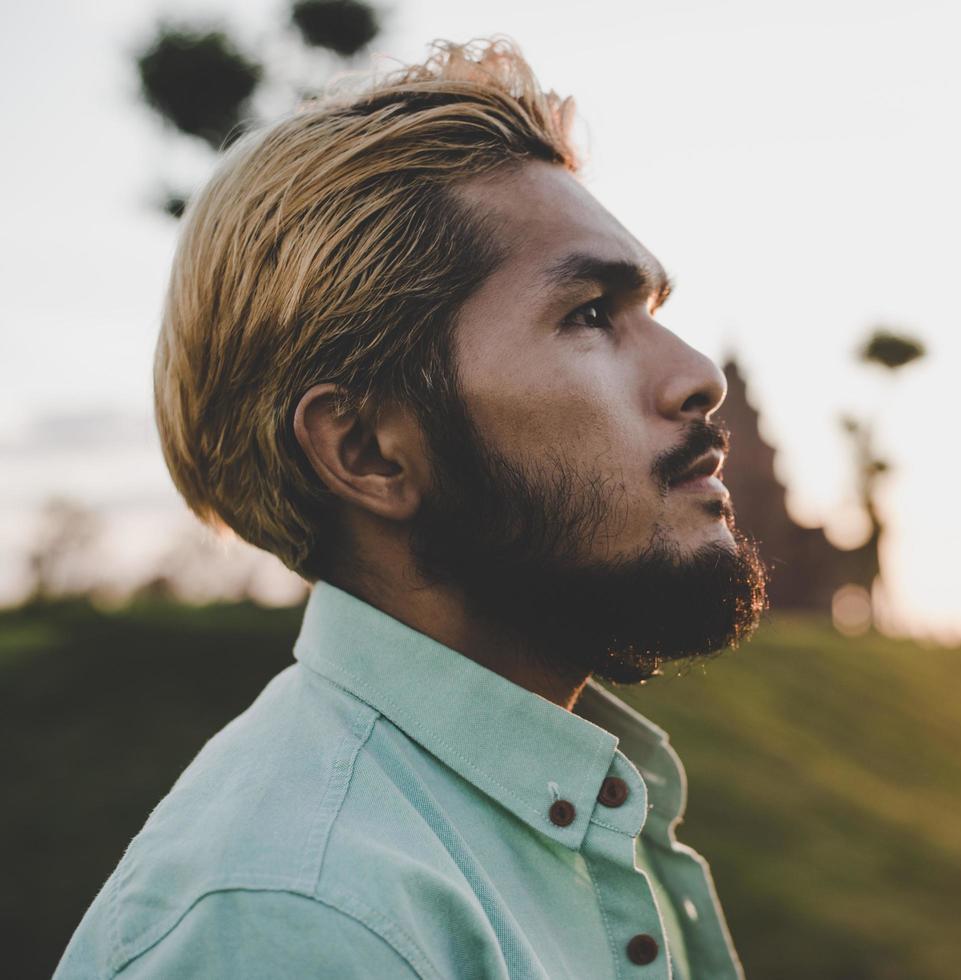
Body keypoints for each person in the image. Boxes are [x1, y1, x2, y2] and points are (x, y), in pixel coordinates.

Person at [55, 35, 770, 980]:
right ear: (367, 452)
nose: (697, 376)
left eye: (648, 307)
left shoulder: (554, 810)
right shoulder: (304, 922)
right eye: (589, 313)